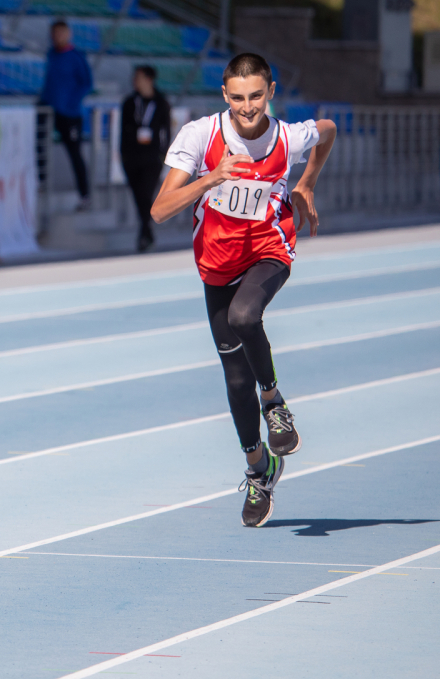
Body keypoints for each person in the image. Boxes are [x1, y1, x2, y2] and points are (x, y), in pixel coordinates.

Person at [151, 53, 337, 529]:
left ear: (271, 92)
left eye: (256, 96)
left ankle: (274, 401)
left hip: (269, 251)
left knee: (244, 316)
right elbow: (160, 210)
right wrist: (210, 178)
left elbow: (329, 130)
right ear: (224, 95)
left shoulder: (288, 136)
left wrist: (307, 183)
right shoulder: (200, 136)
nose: (248, 107)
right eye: (238, 98)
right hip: (217, 265)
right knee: (235, 380)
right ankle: (259, 469)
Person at [39, 20, 93, 209]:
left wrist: (70, 103)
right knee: (40, 146)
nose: (58, 37)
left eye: (61, 33)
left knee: (75, 153)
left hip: (69, 114)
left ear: (68, 34)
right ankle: (41, 182)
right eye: (55, 33)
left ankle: (84, 194)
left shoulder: (76, 57)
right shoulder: (51, 54)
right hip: (48, 110)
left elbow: (86, 83)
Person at [119, 65, 172, 252]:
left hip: (152, 158)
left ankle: (145, 233)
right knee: (138, 196)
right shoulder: (129, 103)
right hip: (132, 157)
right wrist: (123, 154)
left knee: (146, 194)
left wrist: (164, 154)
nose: (135, 81)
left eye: (139, 77)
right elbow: (122, 131)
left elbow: (167, 130)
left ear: (149, 79)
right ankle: (146, 232)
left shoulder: (161, 102)